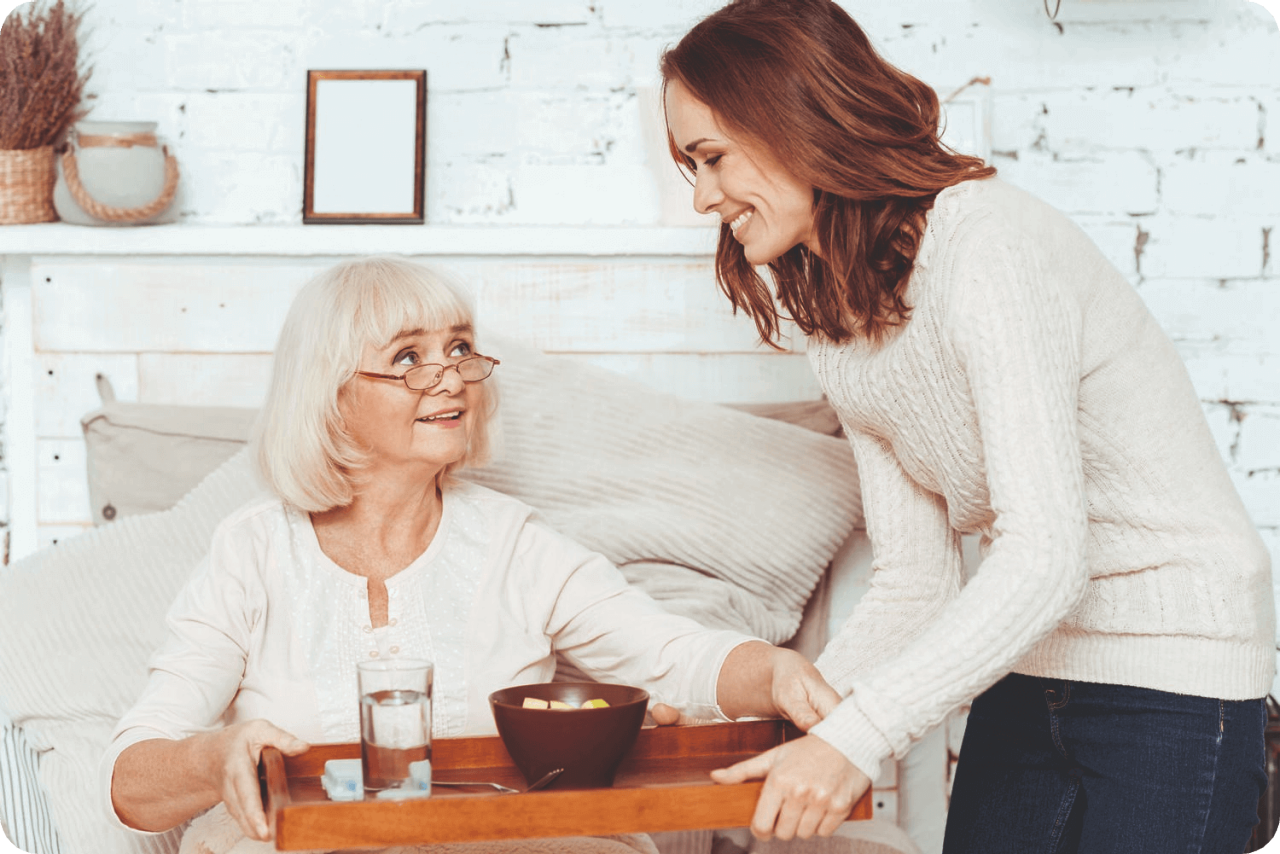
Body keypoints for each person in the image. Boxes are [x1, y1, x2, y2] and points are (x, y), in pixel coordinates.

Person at [660, 1, 1275, 852]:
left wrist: (855, 738)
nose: (700, 196)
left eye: (711, 157)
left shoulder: (987, 247)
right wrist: (788, 724)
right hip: (1029, 668)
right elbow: (917, 582)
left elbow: (1046, 556)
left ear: (795, 120)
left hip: (1173, 678)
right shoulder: (837, 315)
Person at [100, 256, 841, 854]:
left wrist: (773, 672)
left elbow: (676, 656)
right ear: (331, 395)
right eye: (409, 357)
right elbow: (132, 782)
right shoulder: (254, 551)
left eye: (458, 347)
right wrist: (216, 757)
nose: (451, 376)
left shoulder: (513, 543)